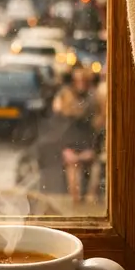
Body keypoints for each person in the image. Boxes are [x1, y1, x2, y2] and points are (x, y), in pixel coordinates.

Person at [54, 66, 100, 204]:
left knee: (92, 189)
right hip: (70, 146)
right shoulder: (64, 96)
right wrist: (65, 149)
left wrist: (93, 149)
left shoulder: (94, 98)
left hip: (89, 145)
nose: (80, 84)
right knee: (75, 187)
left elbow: (97, 125)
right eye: (77, 80)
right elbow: (58, 125)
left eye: (84, 80)